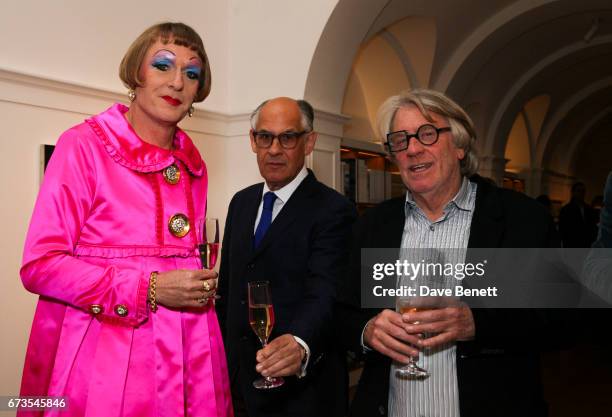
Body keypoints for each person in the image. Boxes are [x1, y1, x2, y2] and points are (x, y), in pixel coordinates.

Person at [19, 22, 232, 417]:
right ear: (136, 72)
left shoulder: (191, 163)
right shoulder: (83, 145)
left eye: (191, 73)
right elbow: (40, 265)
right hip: (104, 357)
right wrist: (148, 288)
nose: (177, 82)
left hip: (191, 353)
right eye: (163, 65)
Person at [336, 89, 563, 417]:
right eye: (400, 140)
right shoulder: (373, 226)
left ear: (459, 145)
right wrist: (367, 330)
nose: (413, 148)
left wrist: (478, 324)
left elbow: (561, 318)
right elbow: (343, 311)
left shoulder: (522, 220)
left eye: (427, 134)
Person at [216, 97, 356, 417]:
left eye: (287, 137)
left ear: (309, 142)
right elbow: (229, 291)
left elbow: (326, 293)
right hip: (239, 387)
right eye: (264, 137)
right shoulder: (242, 202)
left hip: (303, 393)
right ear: (253, 141)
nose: (274, 149)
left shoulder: (334, 210)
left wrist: (300, 343)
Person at [559, 182, 598, 247]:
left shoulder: (589, 209)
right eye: (579, 191)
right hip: (572, 245)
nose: (581, 193)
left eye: (583, 191)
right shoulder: (566, 210)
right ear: (573, 193)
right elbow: (563, 230)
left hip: (586, 245)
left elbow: (592, 227)